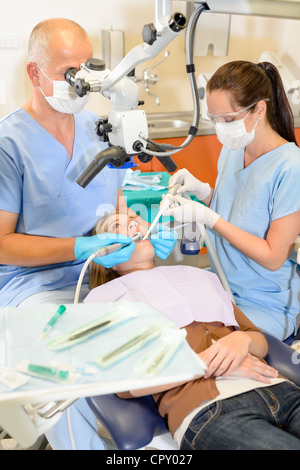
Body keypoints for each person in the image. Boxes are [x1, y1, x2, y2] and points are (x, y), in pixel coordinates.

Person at [45, 210, 300, 450]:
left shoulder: (200, 276)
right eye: (117, 226)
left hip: (280, 389)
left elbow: (258, 339)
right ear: (104, 254)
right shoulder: (103, 302)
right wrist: (205, 364)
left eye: (136, 218)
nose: (134, 224)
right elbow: (126, 384)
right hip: (211, 409)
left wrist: (242, 341)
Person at [0, 18, 175, 308]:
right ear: (34, 74)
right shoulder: (9, 143)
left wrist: (143, 229)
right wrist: (79, 247)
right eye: (68, 73)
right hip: (37, 286)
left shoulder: (101, 129)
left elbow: (117, 205)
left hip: (105, 272)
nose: (81, 83)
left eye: (85, 69)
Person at [162, 60, 300, 341]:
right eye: (214, 119)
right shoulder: (234, 150)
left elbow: (274, 257)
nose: (220, 129)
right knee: (163, 322)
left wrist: (208, 217)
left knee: (194, 345)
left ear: (259, 109)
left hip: (265, 304)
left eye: (228, 120)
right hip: (221, 287)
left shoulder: (291, 168)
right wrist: (205, 194)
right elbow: (239, 213)